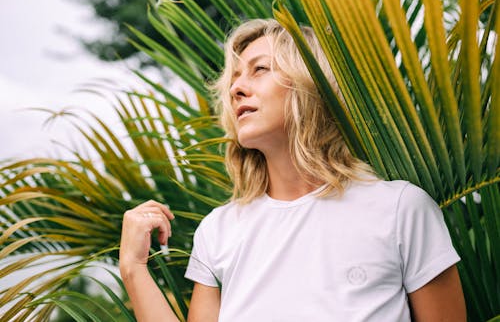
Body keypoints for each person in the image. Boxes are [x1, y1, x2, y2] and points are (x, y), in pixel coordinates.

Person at [119, 19, 466, 321]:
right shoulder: (219, 231)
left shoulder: (400, 210)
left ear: (310, 83)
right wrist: (134, 269)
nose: (237, 88)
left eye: (260, 69)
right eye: (234, 79)